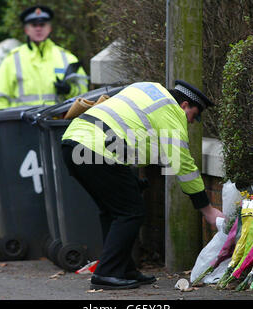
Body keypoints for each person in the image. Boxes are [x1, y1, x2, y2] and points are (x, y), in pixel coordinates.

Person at [61, 80, 224, 290]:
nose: (191, 122)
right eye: (194, 116)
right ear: (184, 105)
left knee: (114, 210)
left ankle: (123, 269)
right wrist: (207, 209)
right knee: (131, 212)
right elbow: (183, 163)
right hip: (96, 149)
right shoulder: (171, 112)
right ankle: (107, 273)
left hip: (73, 142)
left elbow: (122, 132)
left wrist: (132, 182)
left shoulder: (147, 89)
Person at [0, 5, 88, 110]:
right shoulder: (12, 59)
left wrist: (69, 90)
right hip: (21, 123)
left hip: (56, 122)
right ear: (26, 30)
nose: (38, 28)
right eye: (34, 25)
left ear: (50, 28)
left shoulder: (67, 58)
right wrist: (5, 124)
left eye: (42, 24)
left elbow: (84, 95)